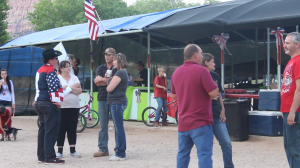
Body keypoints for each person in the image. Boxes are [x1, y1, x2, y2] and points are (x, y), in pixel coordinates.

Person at [171, 44, 219, 168]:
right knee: (204, 155)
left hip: (183, 122)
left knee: (182, 154)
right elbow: (214, 93)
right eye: (201, 53)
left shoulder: (176, 72)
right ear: (195, 55)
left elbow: (174, 96)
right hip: (200, 122)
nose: (202, 57)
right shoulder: (202, 71)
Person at [202, 53, 234, 168]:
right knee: (206, 147)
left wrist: (223, 109)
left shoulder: (215, 75)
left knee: (227, 143)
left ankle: (229, 166)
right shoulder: (199, 74)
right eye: (212, 61)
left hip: (217, 115)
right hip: (204, 116)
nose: (214, 64)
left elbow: (220, 93)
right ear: (206, 62)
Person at [34, 48, 65, 165]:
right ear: (51, 60)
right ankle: (50, 157)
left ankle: (41, 156)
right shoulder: (50, 70)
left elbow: (38, 87)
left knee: (42, 130)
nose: (57, 60)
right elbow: (53, 87)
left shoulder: (40, 70)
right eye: (56, 59)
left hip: (39, 102)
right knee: (51, 131)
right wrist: (56, 100)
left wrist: (36, 99)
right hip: (48, 102)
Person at [93, 47, 117, 157]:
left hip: (114, 99)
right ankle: (103, 148)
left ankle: (119, 148)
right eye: (105, 55)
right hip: (102, 98)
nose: (107, 57)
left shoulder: (117, 68)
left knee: (117, 125)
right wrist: (107, 80)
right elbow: (97, 83)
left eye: (109, 55)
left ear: (114, 56)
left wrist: (102, 79)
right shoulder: (100, 68)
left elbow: (115, 82)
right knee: (103, 125)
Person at [56, 60, 82, 158]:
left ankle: (73, 149)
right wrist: (72, 89)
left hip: (74, 106)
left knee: (72, 128)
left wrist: (68, 88)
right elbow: (59, 91)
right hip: (62, 107)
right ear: (61, 68)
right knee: (61, 128)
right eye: (66, 66)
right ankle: (59, 150)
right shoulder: (58, 78)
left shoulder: (74, 77)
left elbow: (79, 90)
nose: (69, 68)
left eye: (69, 66)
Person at [281, 32, 300, 168]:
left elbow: (299, 88)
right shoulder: (292, 61)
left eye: (287, 43)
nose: (284, 45)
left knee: (294, 149)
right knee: (289, 146)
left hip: (295, 111)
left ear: (297, 44)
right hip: (289, 110)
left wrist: (292, 111)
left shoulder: (298, 60)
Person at [106, 53, 128, 161]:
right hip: (118, 102)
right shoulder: (122, 72)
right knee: (118, 128)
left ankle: (120, 153)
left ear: (119, 61)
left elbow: (109, 89)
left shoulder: (119, 73)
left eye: (114, 60)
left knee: (119, 128)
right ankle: (119, 150)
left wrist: (109, 80)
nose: (113, 62)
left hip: (117, 103)